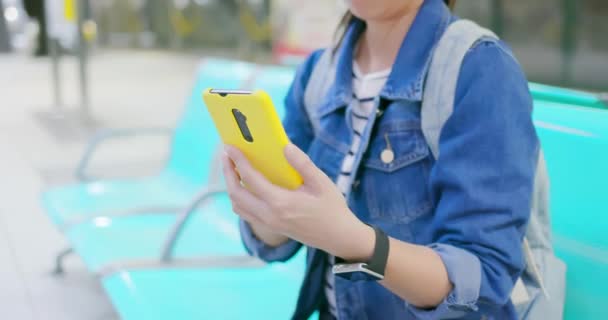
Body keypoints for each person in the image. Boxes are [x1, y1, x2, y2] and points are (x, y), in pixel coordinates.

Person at [222, 0, 538, 318]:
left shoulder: (479, 68)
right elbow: (276, 242)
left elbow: (481, 280)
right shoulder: (319, 72)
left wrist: (355, 241)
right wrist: (263, 208)